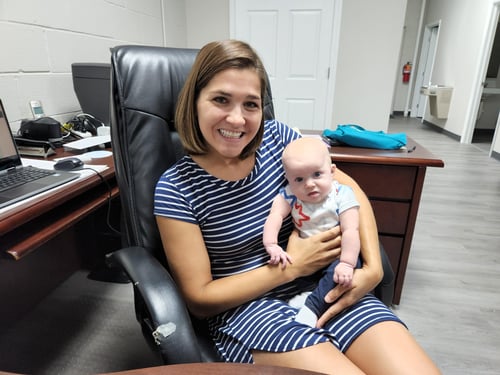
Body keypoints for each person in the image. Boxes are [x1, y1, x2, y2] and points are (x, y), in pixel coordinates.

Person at [154, 39, 440, 374]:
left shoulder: (281, 141)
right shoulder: (176, 188)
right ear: (195, 102)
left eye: (251, 104)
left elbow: (349, 189)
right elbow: (200, 300)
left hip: (325, 283)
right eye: (220, 99)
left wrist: (373, 268)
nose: (237, 118)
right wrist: (292, 268)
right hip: (248, 309)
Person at [263, 137, 362, 327]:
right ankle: (310, 294)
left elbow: (351, 230)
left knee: (338, 275)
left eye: (317, 174)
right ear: (289, 180)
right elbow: (275, 216)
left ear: (332, 172)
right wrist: (271, 245)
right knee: (293, 270)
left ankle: (312, 307)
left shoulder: (342, 193)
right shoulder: (290, 194)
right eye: (299, 179)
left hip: (338, 255)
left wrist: (347, 263)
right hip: (305, 256)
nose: (309, 184)